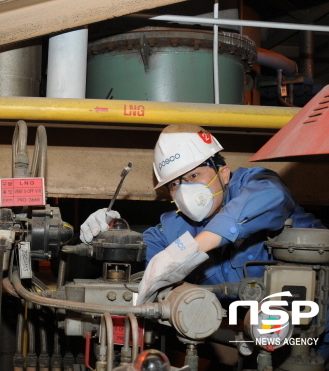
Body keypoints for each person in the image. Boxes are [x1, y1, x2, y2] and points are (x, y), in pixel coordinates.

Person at [80, 124, 329, 355]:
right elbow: (140, 251)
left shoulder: (254, 185)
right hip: (268, 334)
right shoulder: (175, 227)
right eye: (175, 184)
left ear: (224, 175)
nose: (185, 190)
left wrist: (196, 246)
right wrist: (107, 234)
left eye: (193, 176)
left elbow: (271, 195)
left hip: (322, 324)